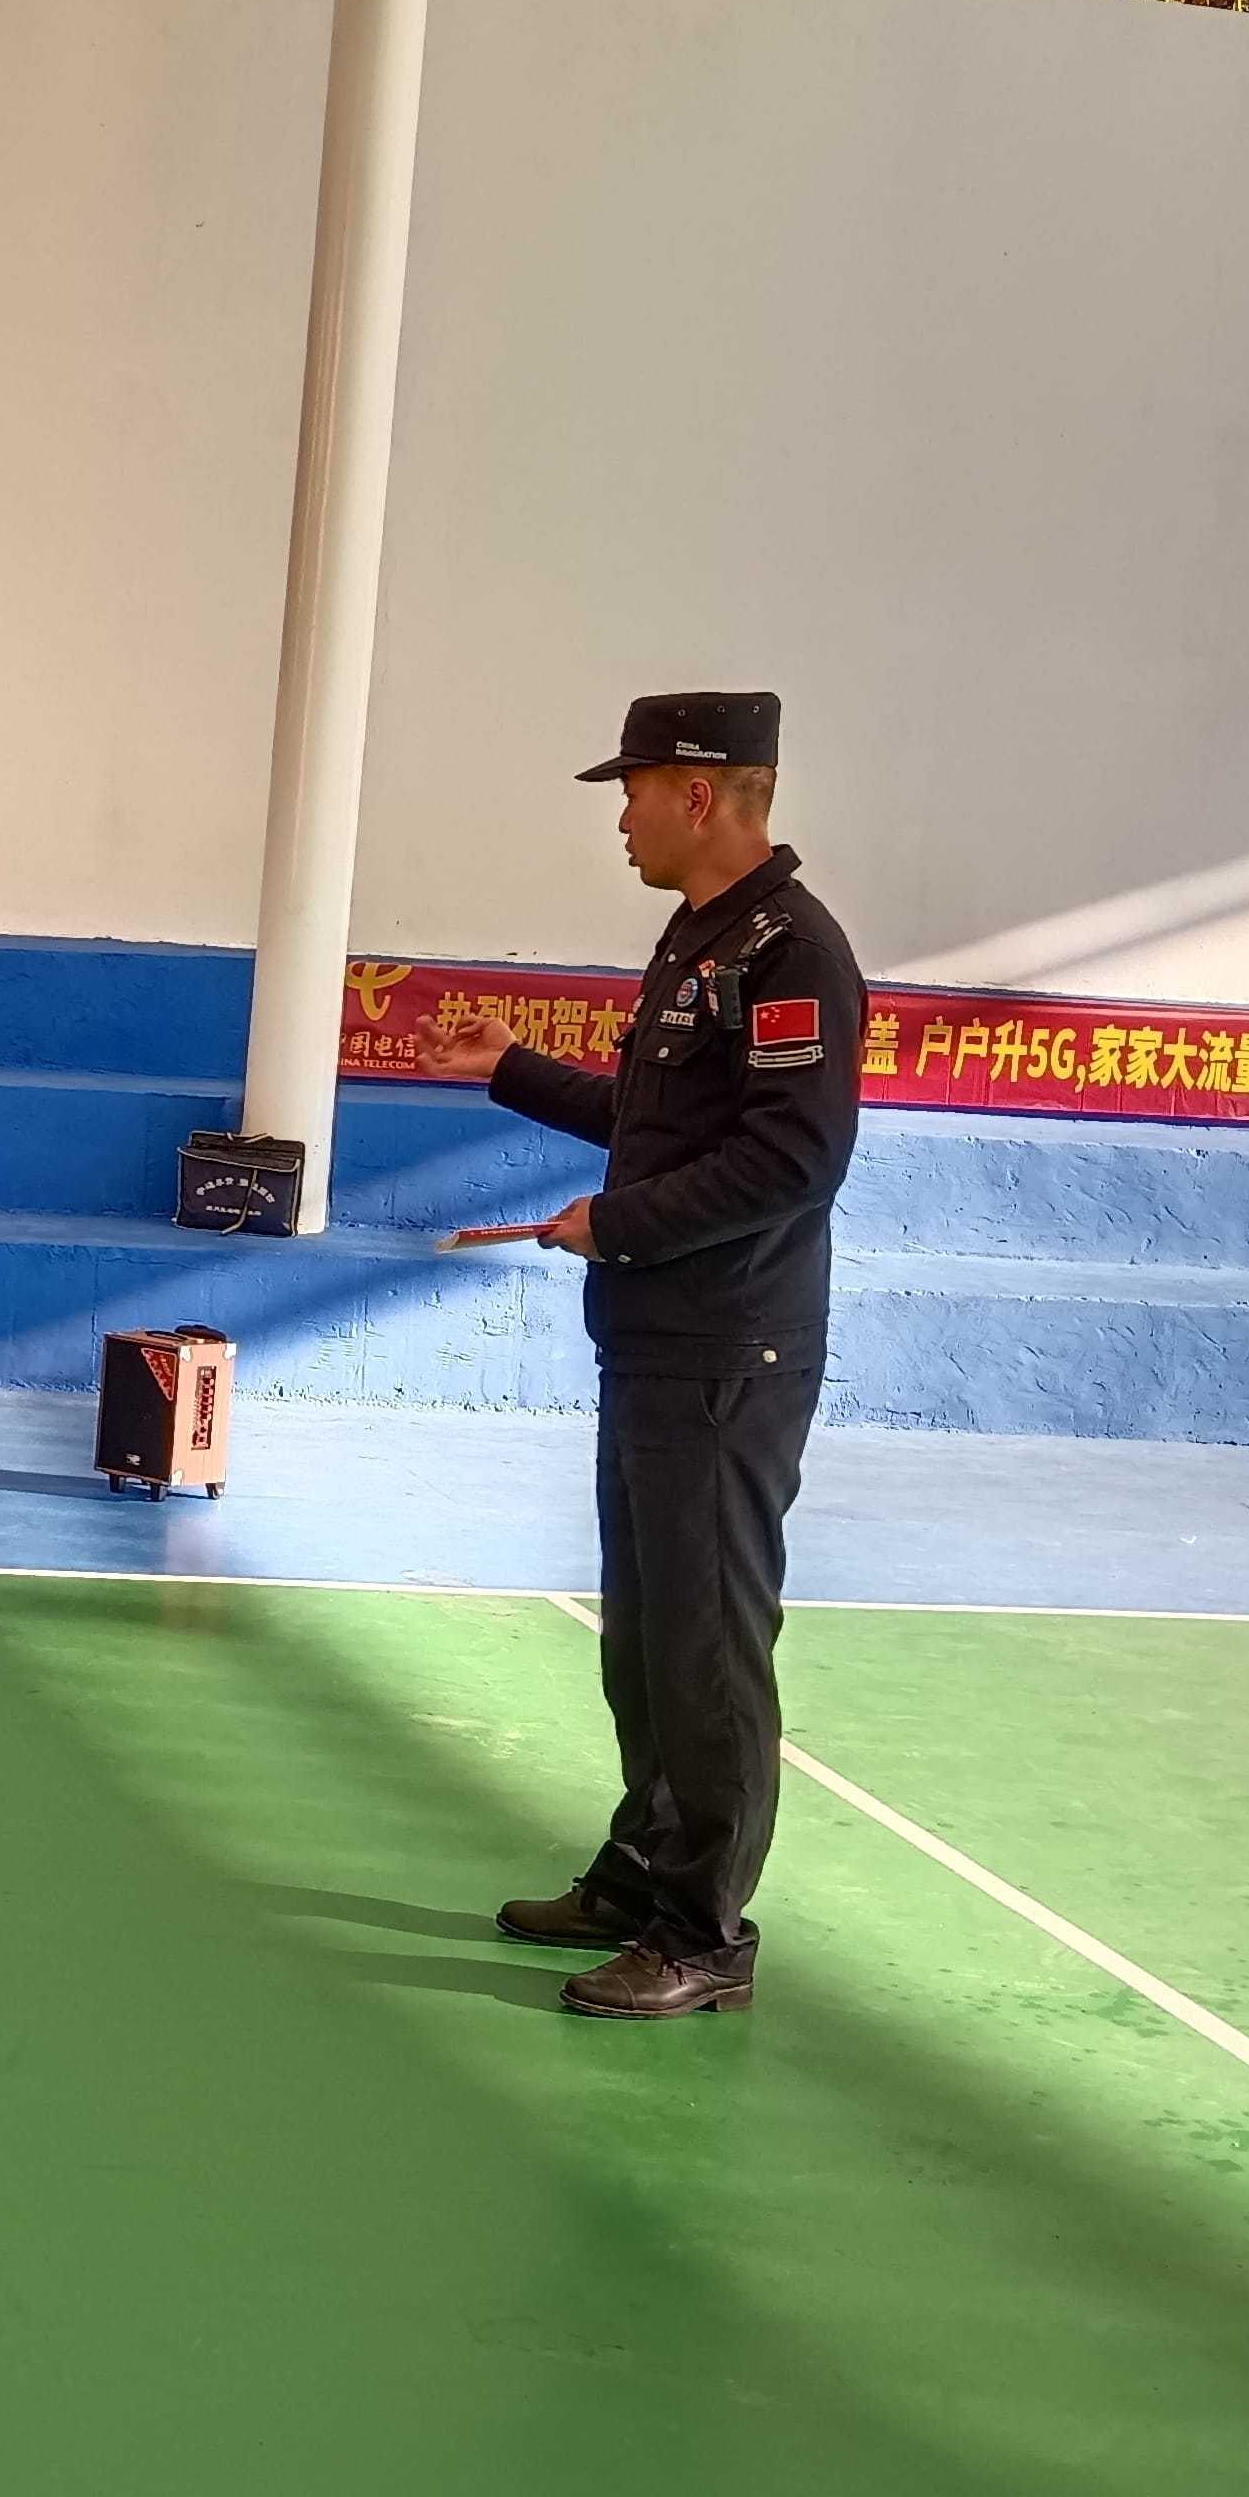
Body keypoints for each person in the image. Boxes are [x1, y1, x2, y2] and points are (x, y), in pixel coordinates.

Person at [420, 691, 866, 2020]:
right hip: (659, 1340)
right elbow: (659, 1118)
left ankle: (703, 1933)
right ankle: (642, 1873)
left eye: (631, 792)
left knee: (707, 1645)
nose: (619, 819)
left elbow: (792, 1159)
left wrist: (614, 1226)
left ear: (699, 793)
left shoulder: (794, 954)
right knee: (649, 1643)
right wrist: (514, 1068)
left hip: (729, 1349)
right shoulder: (702, 938)